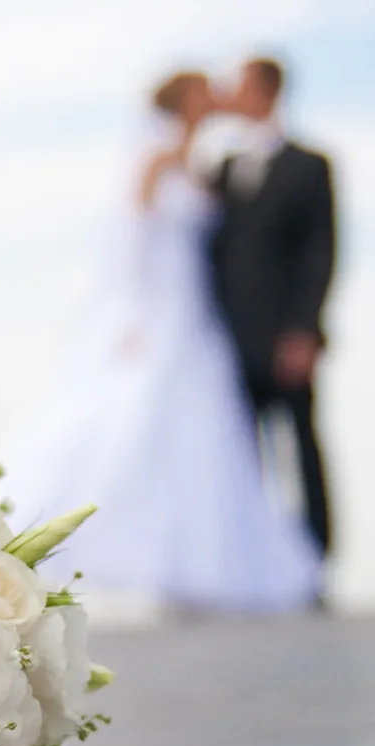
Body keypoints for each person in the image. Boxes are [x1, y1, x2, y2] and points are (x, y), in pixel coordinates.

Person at [0, 71, 321, 614]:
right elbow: (130, 241)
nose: (214, 97)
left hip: (201, 318)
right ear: (180, 103)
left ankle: (197, 565)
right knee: (136, 427)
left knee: (204, 439)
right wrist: (132, 315)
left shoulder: (205, 165)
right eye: (203, 92)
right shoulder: (155, 159)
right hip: (160, 312)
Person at [211, 57, 336, 564]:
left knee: (301, 447)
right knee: (240, 457)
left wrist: (304, 330)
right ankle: (255, 563)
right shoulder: (220, 170)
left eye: (238, 84)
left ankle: (315, 557)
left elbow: (321, 252)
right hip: (228, 341)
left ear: (266, 90)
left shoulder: (310, 166)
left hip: (286, 339)